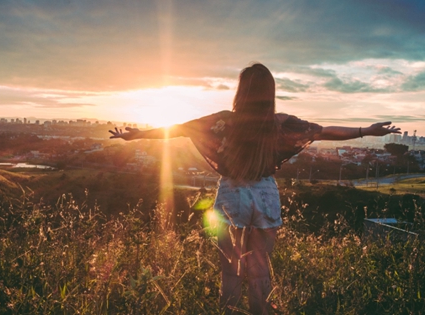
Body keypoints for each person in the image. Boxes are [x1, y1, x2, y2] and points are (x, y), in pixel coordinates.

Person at [109, 63, 401, 314]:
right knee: (260, 269)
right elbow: (324, 131)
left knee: (230, 271)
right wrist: (366, 131)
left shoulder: (223, 121)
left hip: (231, 195)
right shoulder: (280, 123)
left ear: (241, 92)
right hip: (265, 195)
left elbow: (178, 128)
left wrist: (136, 136)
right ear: (269, 93)